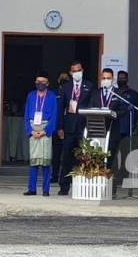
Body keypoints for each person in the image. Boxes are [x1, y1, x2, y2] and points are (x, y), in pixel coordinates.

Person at [56, 60, 94, 195]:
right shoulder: (65, 87)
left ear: (82, 70)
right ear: (70, 73)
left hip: (83, 127)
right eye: (74, 71)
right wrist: (59, 127)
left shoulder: (89, 86)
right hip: (69, 127)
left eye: (79, 70)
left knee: (84, 157)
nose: (77, 73)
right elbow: (60, 109)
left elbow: (91, 106)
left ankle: (84, 185)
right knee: (66, 158)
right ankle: (64, 186)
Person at [89, 68, 127, 194]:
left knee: (111, 161)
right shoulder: (95, 93)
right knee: (97, 159)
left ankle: (111, 190)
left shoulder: (118, 93)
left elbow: (124, 109)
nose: (106, 80)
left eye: (108, 78)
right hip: (97, 131)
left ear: (113, 79)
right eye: (104, 78)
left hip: (112, 132)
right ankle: (96, 188)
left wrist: (116, 113)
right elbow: (90, 108)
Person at [23, 70, 57, 197]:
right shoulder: (31, 95)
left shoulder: (52, 96)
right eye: (38, 81)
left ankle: (46, 189)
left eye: (43, 82)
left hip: (45, 128)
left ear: (47, 83)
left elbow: (54, 116)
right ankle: (32, 188)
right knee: (33, 161)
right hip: (33, 128)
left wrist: (46, 131)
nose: (40, 83)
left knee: (46, 161)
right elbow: (26, 114)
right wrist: (30, 131)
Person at [115, 70, 138, 184]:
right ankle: (113, 175)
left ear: (127, 79)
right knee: (114, 154)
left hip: (127, 127)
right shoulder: (114, 92)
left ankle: (123, 176)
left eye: (123, 78)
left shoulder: (133, 94)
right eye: (119, 78)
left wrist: (133, 125)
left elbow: (136, 112)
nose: (121, 80)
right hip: (115, 126)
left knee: (125, 153)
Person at [51, 71, 69, 183]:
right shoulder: (53, 93)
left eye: (66, 78)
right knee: (56, 154)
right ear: (58, 80)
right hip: (56, 126)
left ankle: (67, 176)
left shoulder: (71, 92)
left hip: (68, 126)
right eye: (62, 78)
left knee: (68, 153)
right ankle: (55, 175)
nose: (63, 79)